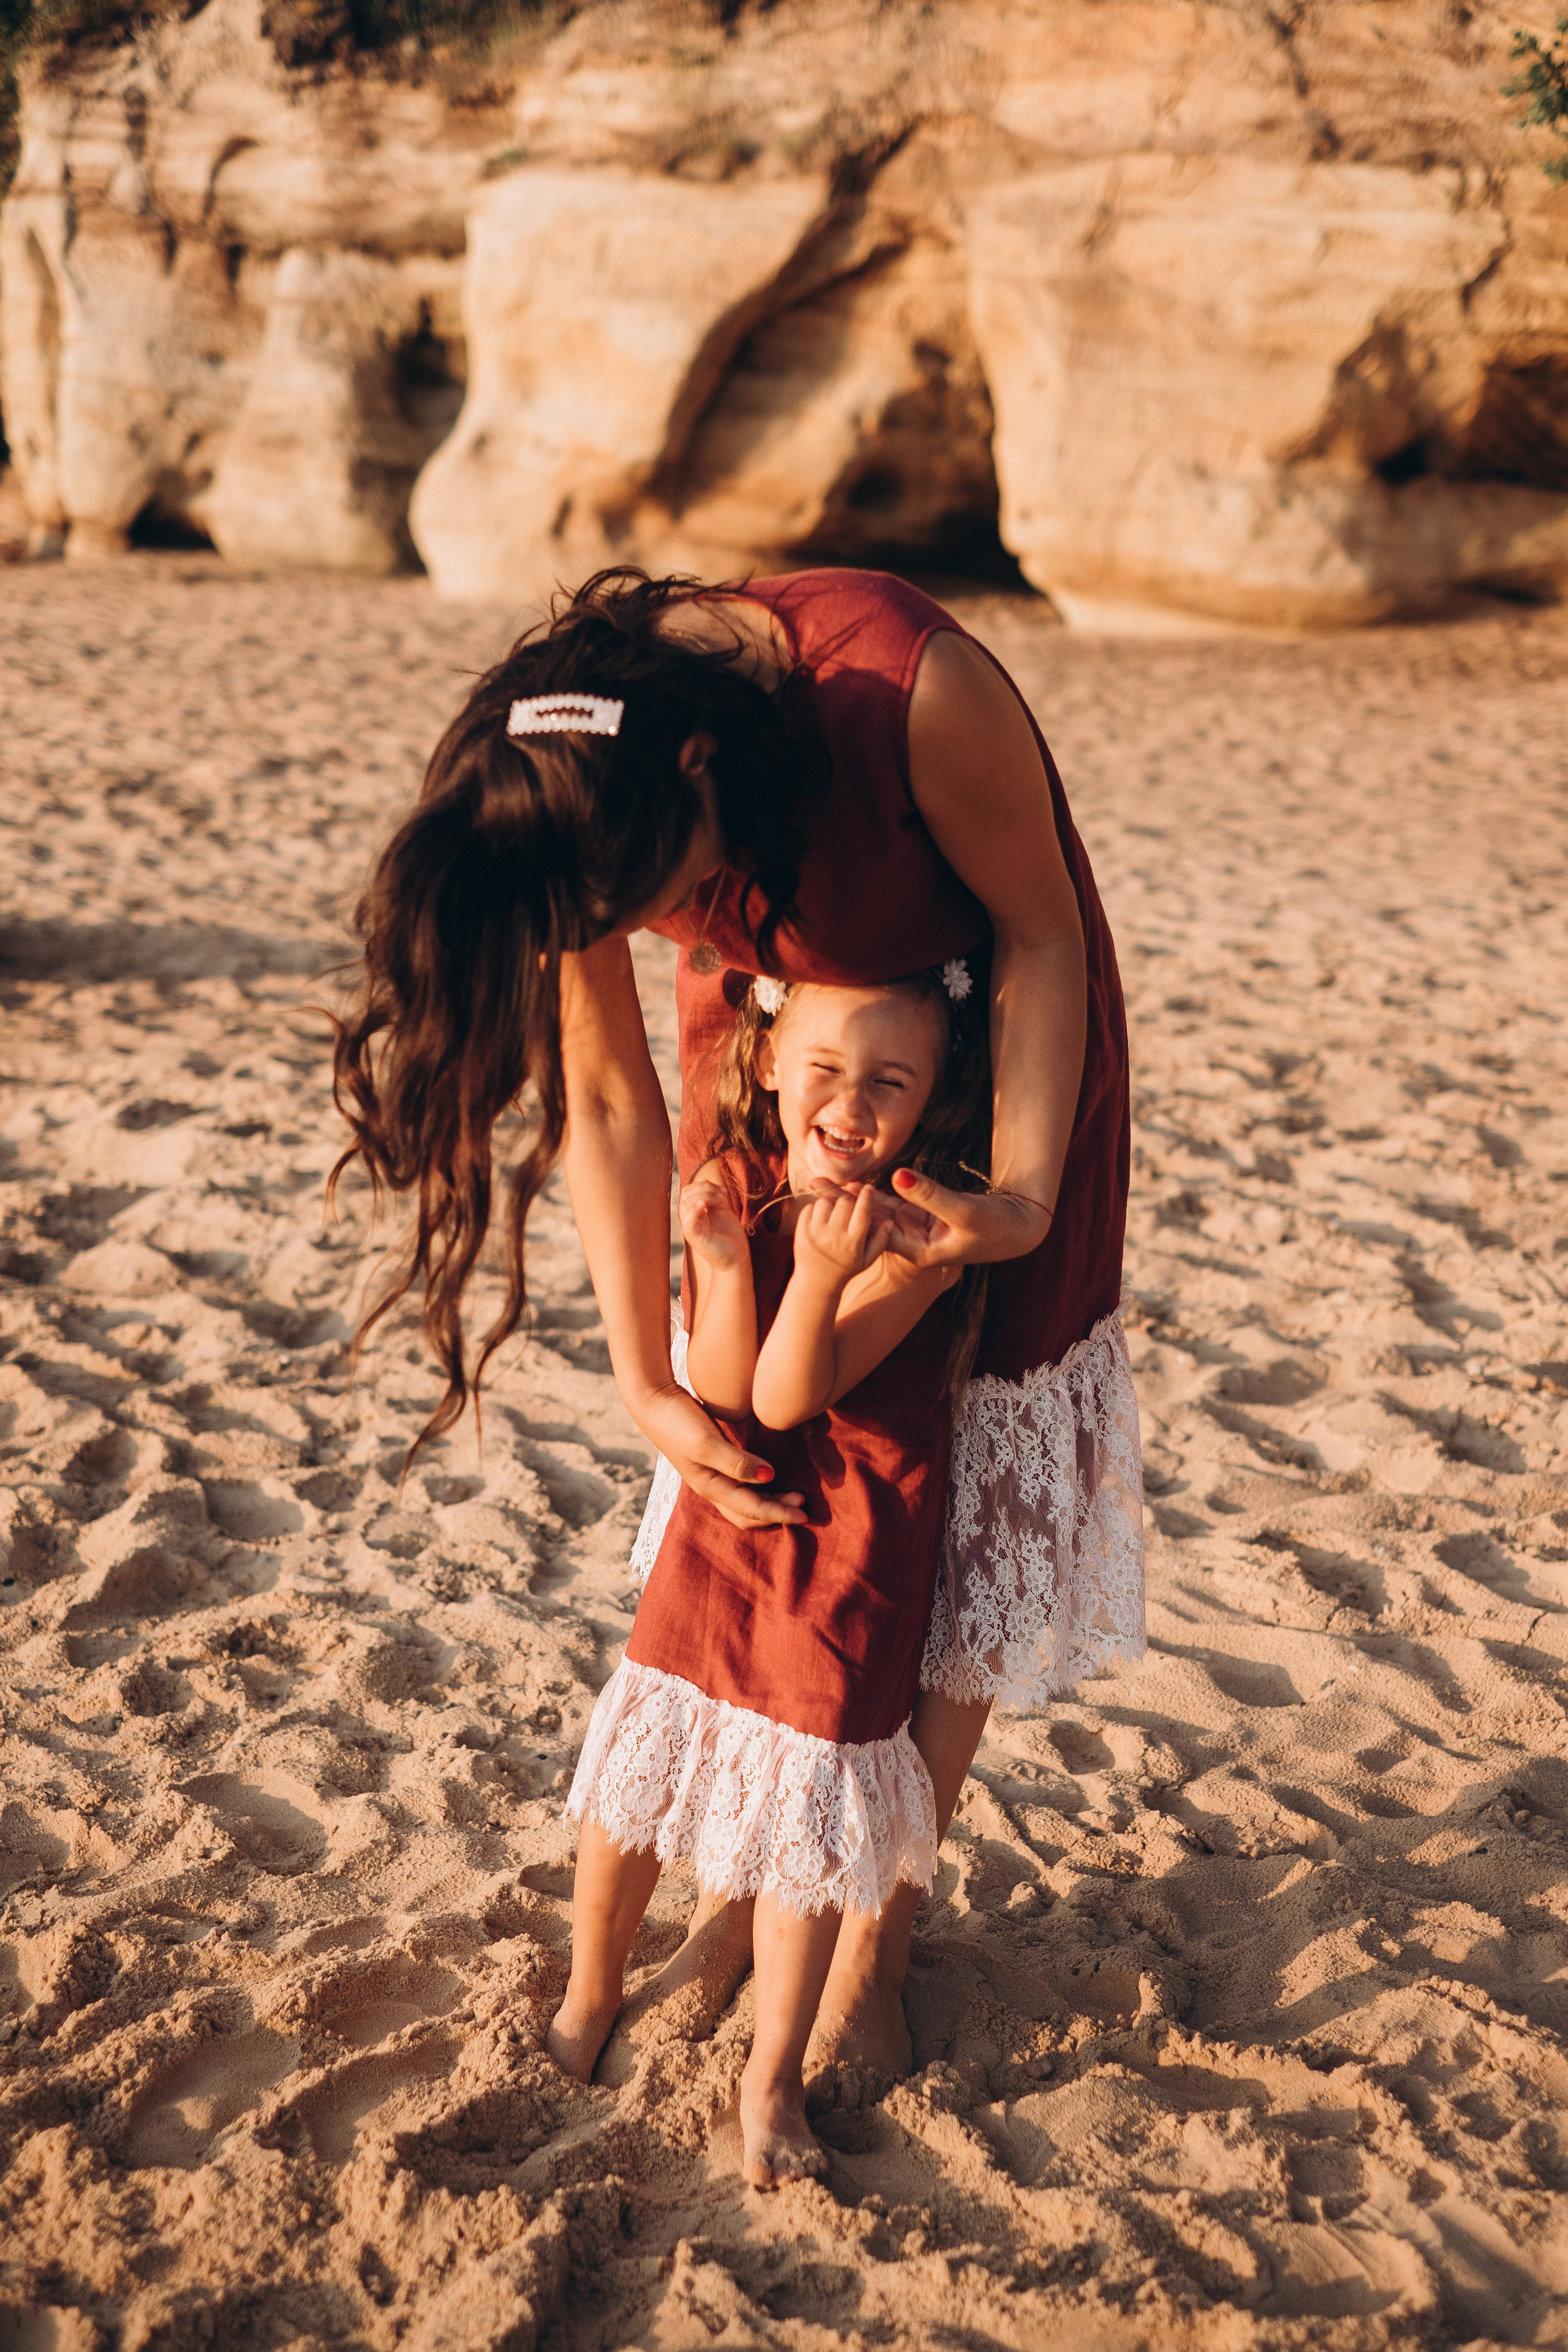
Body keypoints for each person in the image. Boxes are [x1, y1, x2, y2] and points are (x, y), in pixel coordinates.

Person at [331, 565, 1145, 2082]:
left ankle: (879, 1930)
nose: (643, 926)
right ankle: (765, 1878)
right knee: (772, 1491)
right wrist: (644, 1373)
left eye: (647, 899)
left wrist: (1019, 1197)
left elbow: (1042, 935)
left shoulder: (910, 694)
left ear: (700, 768)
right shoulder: (584, 791)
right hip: (767, 1070)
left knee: (947, 1503)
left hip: (987, 1088)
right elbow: (607, 1086)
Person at [550, 963, 989, 2184]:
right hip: (728, 1515)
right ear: (768, 1064)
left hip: (844, 1548)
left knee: (807, 1825)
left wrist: (799, 1270)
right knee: (644, 1764)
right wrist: (729, 1267)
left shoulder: (921, 1234)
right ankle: (589, 1994)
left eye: (890, 1084)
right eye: (827, 1073)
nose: (851, 1104)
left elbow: (798, 1390)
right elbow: (729, 1390)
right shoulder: (735, 1181)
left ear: (930, 1103)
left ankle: (769, 2079)